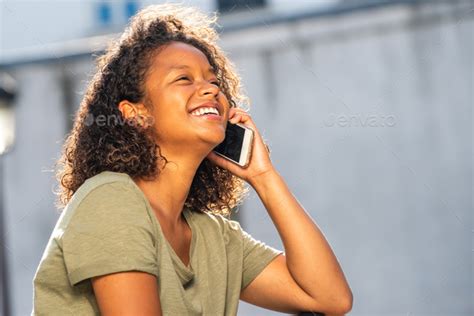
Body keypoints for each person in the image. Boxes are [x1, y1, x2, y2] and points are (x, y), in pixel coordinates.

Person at [32, 3, 352, 315]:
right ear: (136, 114)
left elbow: (329, 299)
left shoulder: (214, 236)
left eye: (213, 81)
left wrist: (264, 177)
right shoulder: (110, 200)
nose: (210, 90)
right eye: (184, 79)